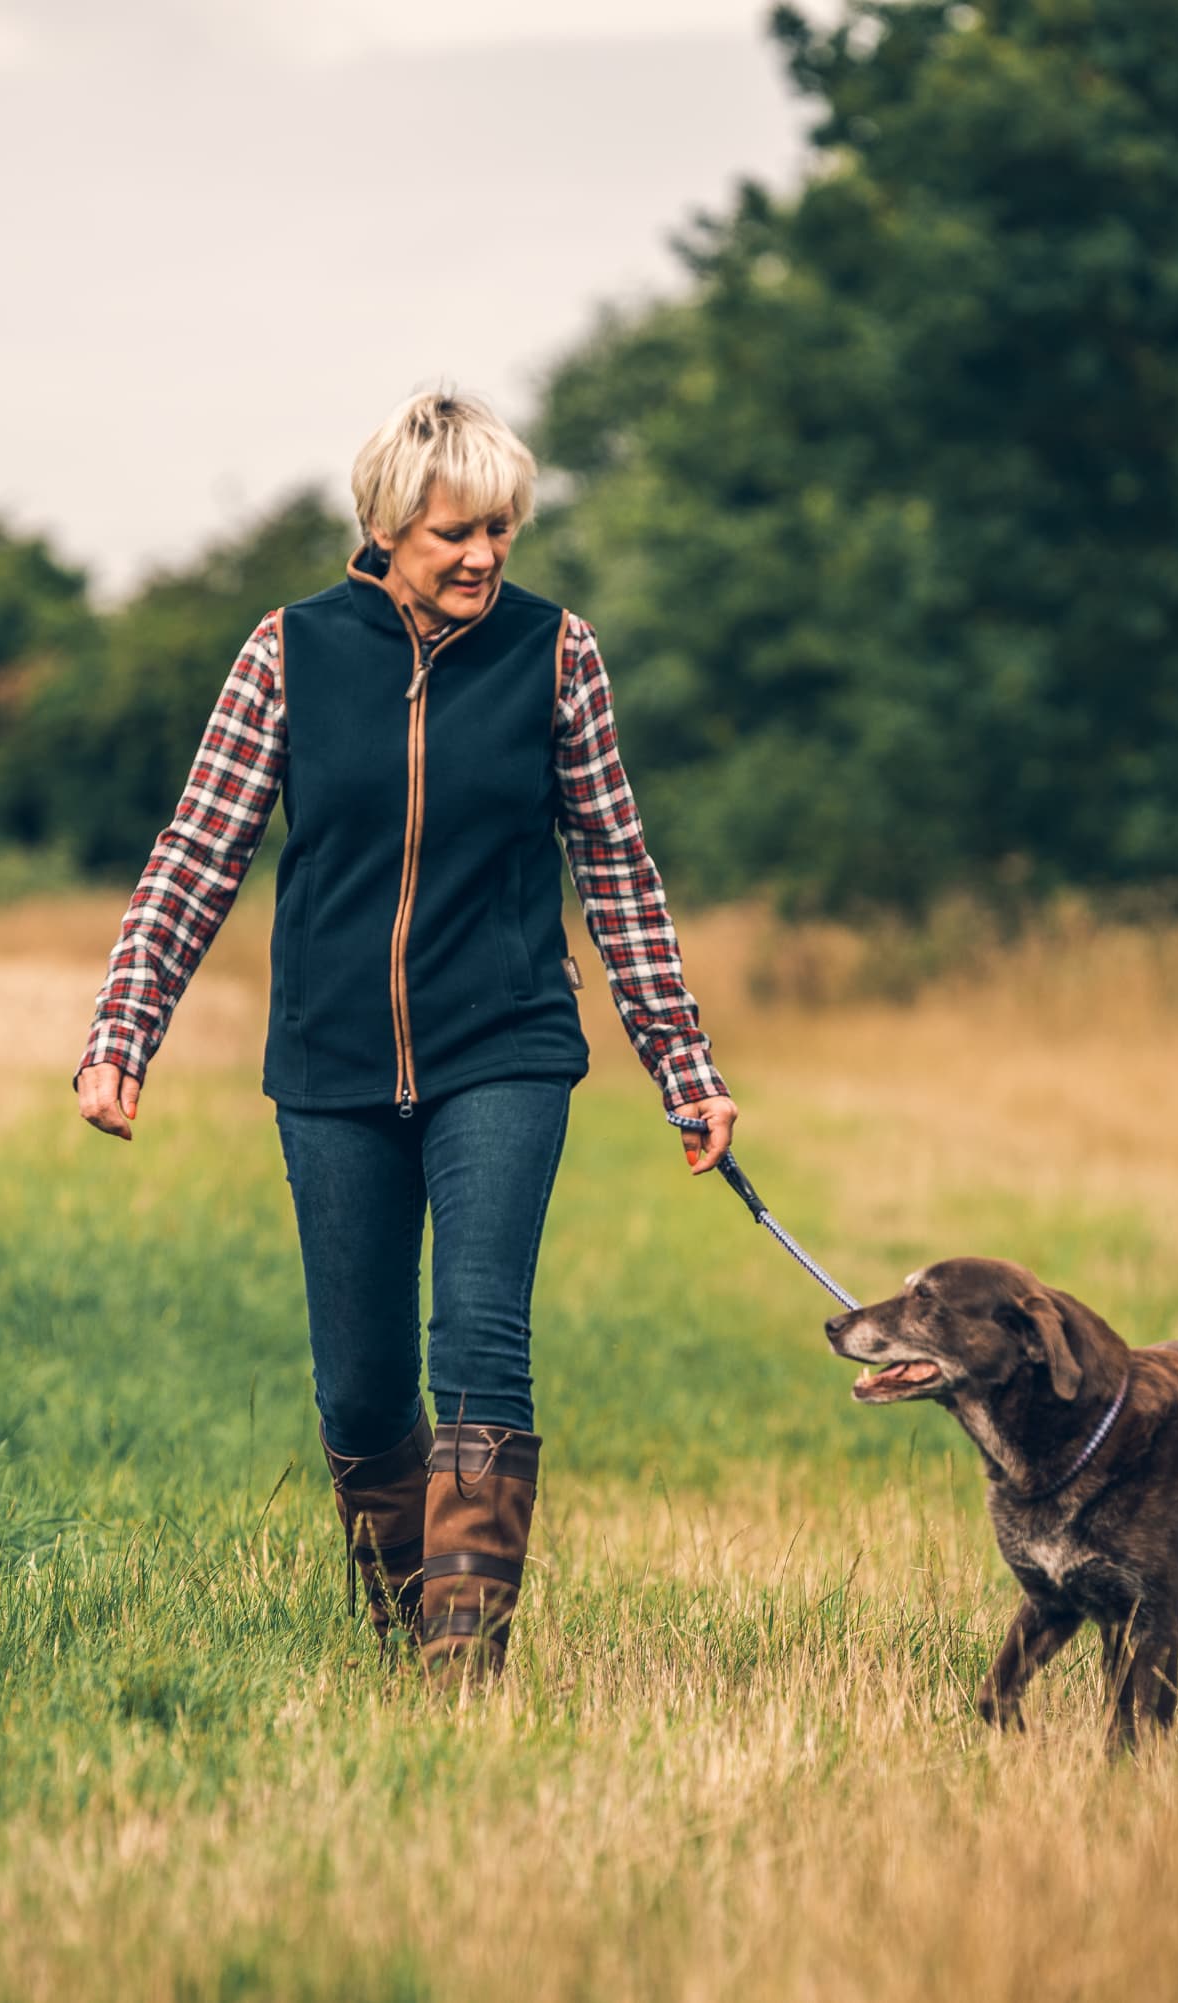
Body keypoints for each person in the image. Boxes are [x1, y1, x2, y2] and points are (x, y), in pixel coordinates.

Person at [73, 387, 738, 1683]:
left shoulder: (558, 655)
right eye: (453, 534)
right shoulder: (289, 653)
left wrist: (683, 1066)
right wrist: (123, 1031)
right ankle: (397, 1635)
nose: (484, 556)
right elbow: (198, 853)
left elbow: (616, 866)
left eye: (500, 528)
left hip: (505, 1044)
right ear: (385, 530)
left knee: (480, 1339)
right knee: (364, 1389)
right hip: (329, 1062)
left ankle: (462, 1666)